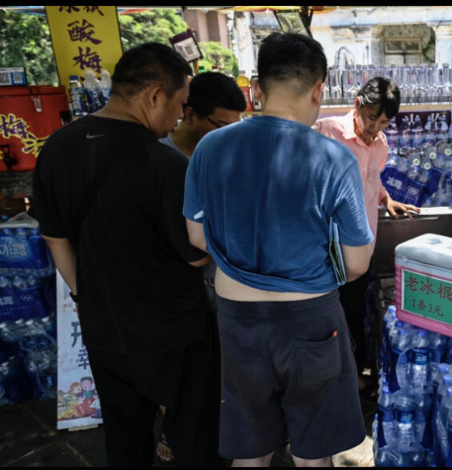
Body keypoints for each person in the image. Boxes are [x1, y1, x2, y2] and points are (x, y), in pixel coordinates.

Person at [183, 32, 373, 467]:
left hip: (236, 316)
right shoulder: (333, 157)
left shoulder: (210, 147)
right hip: (310, 318)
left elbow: (196, 237)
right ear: (318, 90)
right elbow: (358, 262)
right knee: (313, 453)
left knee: (250, 451)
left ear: (255, 88)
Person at [30, 43, 223, 467]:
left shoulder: (57, 148)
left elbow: (54, 238)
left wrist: (86, 298)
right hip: (174, 334)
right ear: (154, 95)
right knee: (195, 437)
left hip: (104, 331)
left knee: (124, 438)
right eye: (178, 104)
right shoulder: (165, 165)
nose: (178, 117)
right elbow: (196, 257)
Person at [155, 71, 246, 463]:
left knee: (222, 376)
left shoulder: (225, 157)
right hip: (176, 298)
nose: (230, 136)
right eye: (222, 126)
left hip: (221, 290)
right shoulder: (161, 162)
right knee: (182, 382)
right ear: (189, 114)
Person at [313, 77, 419, 396]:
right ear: (357, 104)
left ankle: (354, 378)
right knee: (325, 317)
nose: (375, 127)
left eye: (383, 121)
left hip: (361, 250)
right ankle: (325, 381)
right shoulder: (325, 132)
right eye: (372, 117)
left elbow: (371, 179)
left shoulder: (381, 145)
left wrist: (385, 198)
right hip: (324, 248)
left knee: (353, 313)